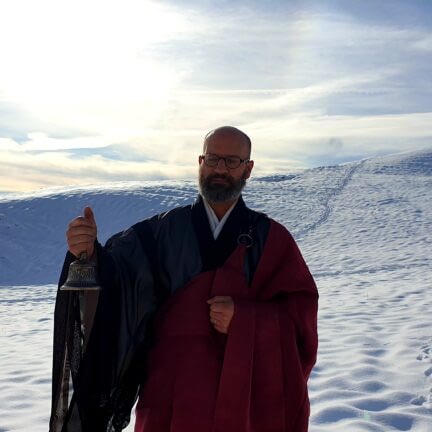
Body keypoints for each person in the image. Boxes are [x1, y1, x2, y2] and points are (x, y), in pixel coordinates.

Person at [49, 126, 318, 432]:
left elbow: (300, 323)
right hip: (169, 394)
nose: (220, 169)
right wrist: (88, 253)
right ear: (200, 161)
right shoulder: (160, 232)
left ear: (248, 168)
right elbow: (117, 284)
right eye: (213, 158)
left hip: (243, 401)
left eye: (232, 161)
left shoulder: (273, 240)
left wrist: (245, 320)